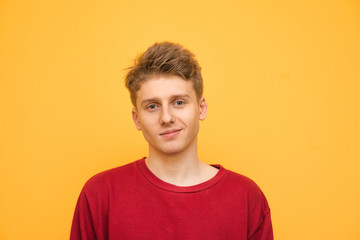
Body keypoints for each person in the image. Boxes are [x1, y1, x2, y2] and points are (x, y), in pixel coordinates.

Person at [70, 42, 273, 240]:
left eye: (178, 102)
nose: (166, 118)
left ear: (201, 108)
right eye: (152, 106)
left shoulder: (246, 197)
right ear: (136, 118)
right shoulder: (100, 195)